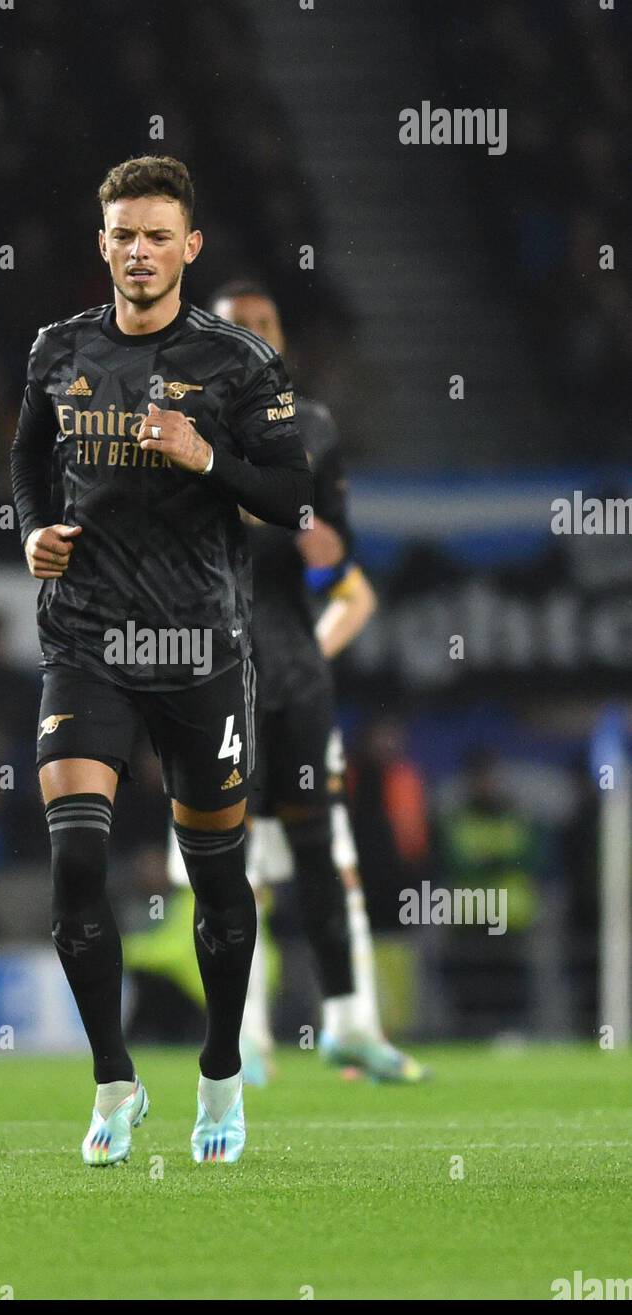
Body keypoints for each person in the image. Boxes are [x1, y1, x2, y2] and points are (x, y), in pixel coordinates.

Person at [9, 156, 328, 1165]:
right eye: (122, 235)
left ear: (188, 247)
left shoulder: (238, 363)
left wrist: (209, 462)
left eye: (157, 235)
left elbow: (291, 496)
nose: (138, 252)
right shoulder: (58, 349)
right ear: (101, 244)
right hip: (87, 641)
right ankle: (113, 1082)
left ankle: (222, 1073)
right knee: (76, 862)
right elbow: (28, 455)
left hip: (198, 647)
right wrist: (33, 532)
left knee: (217, 877)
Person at [168, 282, 428, 1084]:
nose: (250, 338)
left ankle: (349, 1024)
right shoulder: (175, 432)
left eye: (263, 326)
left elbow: (342, 564)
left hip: (292, 677)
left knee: (323, 858)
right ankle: (244, 1041)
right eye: (234, 326)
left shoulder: (310, 430)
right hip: (212, 683)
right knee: (230, 869)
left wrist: (313, 558)